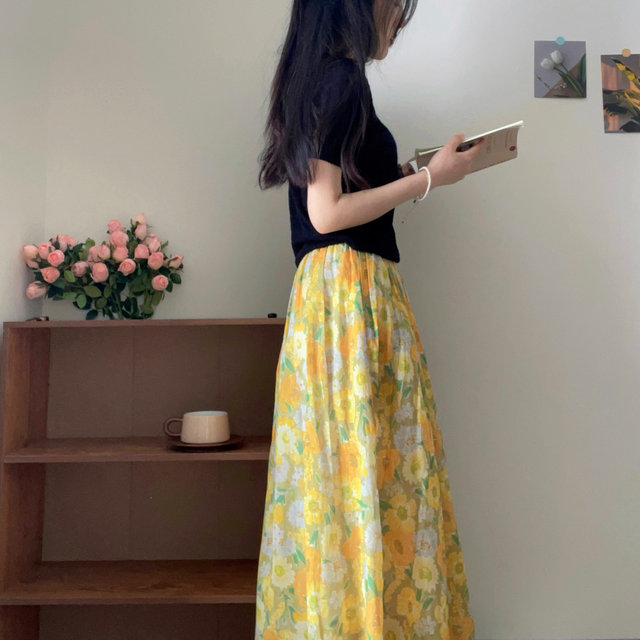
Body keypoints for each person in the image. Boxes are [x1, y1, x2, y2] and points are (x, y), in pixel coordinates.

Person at [255, 1, 483, 638]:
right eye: (392, 10)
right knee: (377, 469)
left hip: (331, 296)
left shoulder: (320, 79)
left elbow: (335, 199)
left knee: (342, 475)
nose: (395, 24)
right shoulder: (340, 80)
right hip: (351, 293)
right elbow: (327, 214)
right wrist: (428, 180)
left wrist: (413, 172)